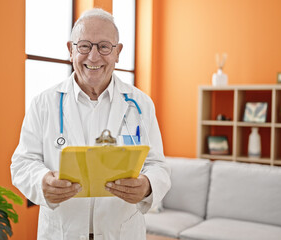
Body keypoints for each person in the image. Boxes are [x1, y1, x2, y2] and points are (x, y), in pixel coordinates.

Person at [11, 8, 171, 240]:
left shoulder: (140, 104)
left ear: (118, 52)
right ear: (70, 50)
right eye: (84, 46)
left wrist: (147, 185)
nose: (93, 57)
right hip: (62, 231)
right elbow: (22, 163)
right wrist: (42, 181)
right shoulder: (43, 103)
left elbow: (158, 165)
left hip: (121, 231)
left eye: (104, 46)